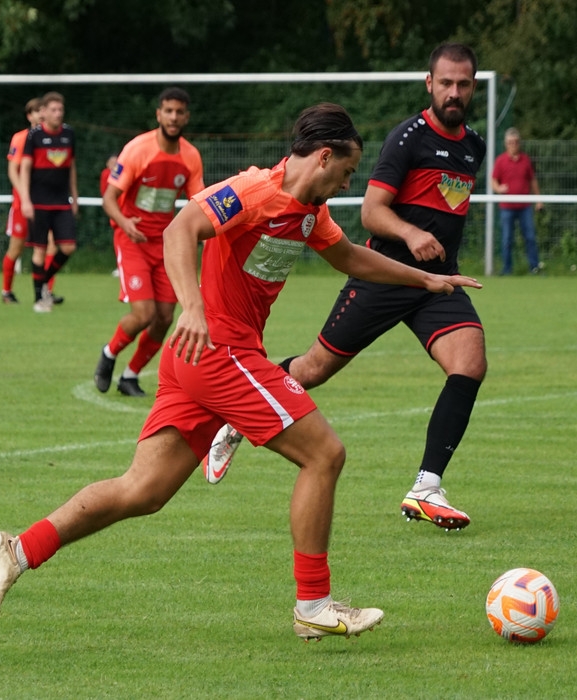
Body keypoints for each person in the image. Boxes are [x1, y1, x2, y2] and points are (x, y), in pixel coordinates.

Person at [0, 103, 482, 639]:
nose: (347, 183)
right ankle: (313, 605)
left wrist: (426, 281)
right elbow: (180, 228)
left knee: (142, 490)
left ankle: (18, 550)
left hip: (203, 358)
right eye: (347, 172)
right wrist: (191, 307)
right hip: (219, 349)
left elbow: (351, 258)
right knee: (325, 454)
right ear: (325, 157)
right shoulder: (255, 190)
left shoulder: (311, 210)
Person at [202, 43, 487, 533]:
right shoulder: (408, 138)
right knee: (314, 369)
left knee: (470, 362)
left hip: (434, 281)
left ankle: (426, 487)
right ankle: (236, 416)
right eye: (446, 83)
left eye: (463, 84)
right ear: (430, 83)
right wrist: (412, 235)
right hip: (382, 276)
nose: (454, 92)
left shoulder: (474, 145)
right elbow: (372, 215)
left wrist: (433, 274)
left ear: (474, 86)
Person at [94, 88, 205, 397]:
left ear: (186, 116)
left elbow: (198, 203)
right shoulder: (137, 150)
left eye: (179, 112)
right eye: (167, 111)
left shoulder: (191, 156)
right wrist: (125, 222)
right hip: (132, 240)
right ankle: (109, 353)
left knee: (166, 317)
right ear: (158, 114)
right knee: (144, 313)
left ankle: (130, 376)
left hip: (165, 244)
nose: (173, 117)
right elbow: (109, 198)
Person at [17, 91, 79, 313]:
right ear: (44, 112)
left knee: (68, 246)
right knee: (40, 251)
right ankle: (38, 299)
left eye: (60, 110)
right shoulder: (34, 136)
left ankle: (43, 282)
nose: (58, 114)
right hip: (38, 202)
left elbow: (71, 166)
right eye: (53, 110)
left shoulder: (69, 134)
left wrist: (75, 196)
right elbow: (24, 168)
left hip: (62, 201)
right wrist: (25, 199)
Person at [0, 97, 62, 305]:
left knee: (52, 246)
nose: (40, 115)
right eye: (36, 111)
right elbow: (13, 170)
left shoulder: (53, 138)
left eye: (42, 111)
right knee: (16, 249)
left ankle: (45, 290)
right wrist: (25, 195)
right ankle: (6, 291)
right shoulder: (20, 138)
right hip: (22, 205)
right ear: (29, 116)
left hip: (46, 204)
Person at [492, 127, 543, 275]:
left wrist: (539, 200)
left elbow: (533, 180)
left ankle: (534, 267)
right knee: (507, 239)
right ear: (506, 143)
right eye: (510, 142)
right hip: (507, 207)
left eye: (515, 142)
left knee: (530, 237)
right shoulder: (501, 161)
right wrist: (499, 188)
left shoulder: (526, 160)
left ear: (519, 143)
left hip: (524, 206)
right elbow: (493, 180)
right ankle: (507, 269)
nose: (513, 145)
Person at [99, 153, 120, 278]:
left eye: (116, 163)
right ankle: (120, 265)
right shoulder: (106, 174)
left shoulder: (121, 174)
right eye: (112, 163)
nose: (114, 166)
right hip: (116, 209)